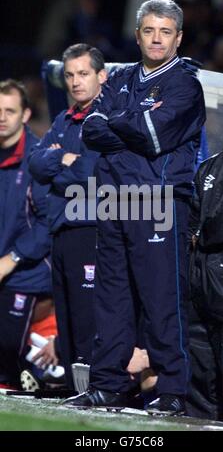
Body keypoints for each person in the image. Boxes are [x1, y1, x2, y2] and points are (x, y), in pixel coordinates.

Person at [64, 0, 206, 414]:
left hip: (157, 199)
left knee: (162, 299)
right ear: (138, 34)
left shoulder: (184, 83)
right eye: (149, 30)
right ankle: (108, 384)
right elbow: (91, 128)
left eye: (165, 31)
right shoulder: (122, 79)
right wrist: (127, 127)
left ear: (178, 37)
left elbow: (153, 134)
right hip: (113, 199)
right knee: (111, 296)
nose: (157, 38)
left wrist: (120, 126)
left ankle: (174, 391)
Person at [29, 44, 107, 389]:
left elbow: (90, 174)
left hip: (90, 226)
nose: (76, 82)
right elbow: (35, 162)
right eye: (70, 75)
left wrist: (58, 164)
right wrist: (61, 161)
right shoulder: (63, 118)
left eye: (83, 74)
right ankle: (78, 389)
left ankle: (93, 385)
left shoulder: (105, 118)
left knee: (87, 311)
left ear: (100, 76)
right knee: (67, 311)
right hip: (61, 227)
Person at [187, 89, 223, 424]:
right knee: (201, 389)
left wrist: (201, 234)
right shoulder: (209, 167)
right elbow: (193, 218)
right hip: (201, 283)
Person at [0, 79, 51, 389]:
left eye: (9, 110)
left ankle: (47, 372)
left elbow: (49, 223)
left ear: (25, 115)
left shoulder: (38, 160)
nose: (2, 117)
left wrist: (12, 258)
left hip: (24, 273)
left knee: (5, 357)